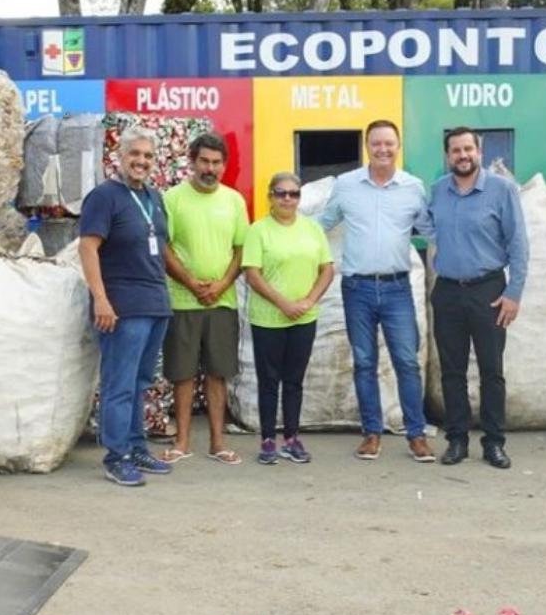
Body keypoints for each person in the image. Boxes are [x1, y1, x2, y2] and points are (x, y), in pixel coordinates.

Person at [319, 119, 435, 461]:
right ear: (367, 147)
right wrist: (283, 232)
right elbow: (323, 224)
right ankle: (372, 433)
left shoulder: (413, 187)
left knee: (406, 362)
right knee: (364, 362)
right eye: (376, 143)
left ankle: (416, 434)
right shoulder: (346, 185)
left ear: (398, 147)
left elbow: (431, 230)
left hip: (397, 288)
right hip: (357, 289)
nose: (383, 149)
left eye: (389, 143)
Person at [428, 126, 529, 470]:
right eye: (456, 150)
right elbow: (426, 227)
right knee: (452, 371)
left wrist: (513, 293)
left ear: (479, 151)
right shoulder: (438, 191)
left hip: (489, 290)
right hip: (447, 290)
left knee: (491, 369)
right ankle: (456, 440)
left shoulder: (502, 190)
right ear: (447, 156)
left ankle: (494, 442)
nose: (463, 155)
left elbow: (518, 244)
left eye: (468, 149)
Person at [78, 127, 174, 488]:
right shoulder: (104, 197)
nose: (141, 161)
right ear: (119, 156)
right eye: (135, 154)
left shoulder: (154, 197)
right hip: (121, 305)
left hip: (154, 302)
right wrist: (101, 299)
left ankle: (136, 447)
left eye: (148, 156)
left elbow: (159, 246)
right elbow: (88, 248)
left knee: (140, 381)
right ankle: (116, 456)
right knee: (119, 384)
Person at [161, 131, 249, 465]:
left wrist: (222, 284)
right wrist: (192, 282)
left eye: (216, 162)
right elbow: (164, 247)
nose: (210, 168)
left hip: (222, 303)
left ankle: (217, 443)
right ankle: (182, 443)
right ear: (192, 162)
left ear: (224, 165)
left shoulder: (234, 201)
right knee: (182, 374)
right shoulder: (172, 199)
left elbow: (242, 249)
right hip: (182, 301)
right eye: (204, 162)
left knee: (218, 373)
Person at [242, 172, 334, 465]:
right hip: (268, 319)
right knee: (269, 381)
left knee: (294, 381)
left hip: (303, 318)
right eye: (281, 193)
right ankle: (268, 439)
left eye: (293, 194)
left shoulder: (312, 229)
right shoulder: (258, 230)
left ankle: (292, 438)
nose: (287, 199)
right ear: (270, 196)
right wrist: (283, 303)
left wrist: (307, 301)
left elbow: (327, 269)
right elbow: (252, 274)